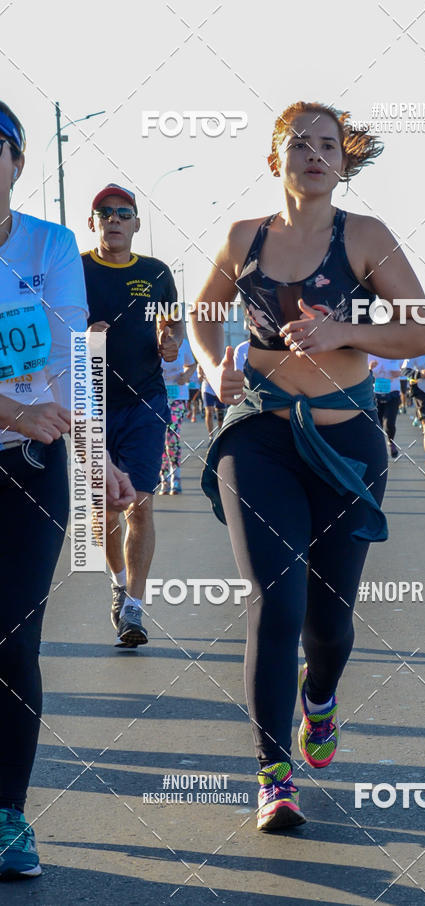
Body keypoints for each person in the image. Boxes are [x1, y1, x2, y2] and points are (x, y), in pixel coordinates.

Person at [189, 101, 425, 831]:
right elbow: (203, 313)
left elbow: (421, 329)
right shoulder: (242, 237)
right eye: (300, 144)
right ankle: (272, 775)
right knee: (275, 601)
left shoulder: (364, 237)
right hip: (258, 437)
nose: (315, 154)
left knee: (327, 626)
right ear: (275, 160)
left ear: (343, 162)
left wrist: (342, 330)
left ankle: (318, 696)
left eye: (328, 145)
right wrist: (212, 368)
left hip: (346, 445)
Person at [0, 102, 135, 879]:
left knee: (12, 637)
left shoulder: (50, 245)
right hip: (24, 421)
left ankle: (8, 814)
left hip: (29, 464)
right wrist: (15, 403)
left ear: (18, 163)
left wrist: (97, 456)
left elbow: (66, 355)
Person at [83, 184, 183, 646]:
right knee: (105, 510)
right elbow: (51, 325)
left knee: (140, 503)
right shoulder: (76, 269)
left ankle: (136, 610)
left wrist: (171, 341)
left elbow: (172, 322)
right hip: (90, 401)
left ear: (137, 224)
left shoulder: (156, 272)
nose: (114, 219)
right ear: (93, 223)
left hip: (145, 401)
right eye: (105, 213)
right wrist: (82, 335)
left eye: (124, 213)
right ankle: (119, 584)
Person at [159, 337, 197, 493]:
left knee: (172, 437)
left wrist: (186, 376)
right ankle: (164, 479)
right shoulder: (151, 339)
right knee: (159, 438)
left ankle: (176, 477)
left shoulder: (183, 343)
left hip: (177, 396)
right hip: (157, 396)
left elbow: (192, 364)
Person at [368, 356, 404, 459]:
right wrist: (369, 368)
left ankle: (391, 443)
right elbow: (361, 374)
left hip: (393, 393)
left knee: (389, 423)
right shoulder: (369, 354)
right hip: (376, 395)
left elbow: (406, 369)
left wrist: (399, 373)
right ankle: (380, 448)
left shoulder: (395, 353)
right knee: (377, 424)